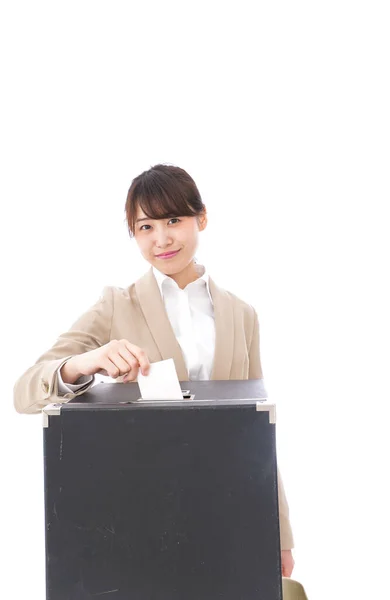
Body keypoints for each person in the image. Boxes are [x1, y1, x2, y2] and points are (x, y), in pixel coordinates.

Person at [13, 163, 295, 577]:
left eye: (174, 220)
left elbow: (258, 432)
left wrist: (281, 534)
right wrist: (84, 363)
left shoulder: (242, 315)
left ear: (201, 218)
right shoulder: (116, 305)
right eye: (145, 227)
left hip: (230, 508)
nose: (161, 239)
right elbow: (25, 392)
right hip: (138, 511)